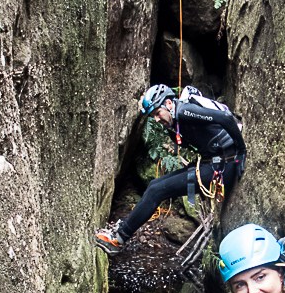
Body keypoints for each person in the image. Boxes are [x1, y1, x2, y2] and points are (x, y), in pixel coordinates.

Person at [94, 84, 246, 255]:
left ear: (168, 103)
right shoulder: (176, 121)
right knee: (154, 185)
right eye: (153, 116)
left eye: (157, 113)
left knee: (157, 190)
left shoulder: (184, 111)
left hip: (223, 165)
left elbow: (226, 117)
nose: (157, 119)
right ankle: (122, 230)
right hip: (213, 162)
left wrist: (241, 151)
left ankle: (118, 239)